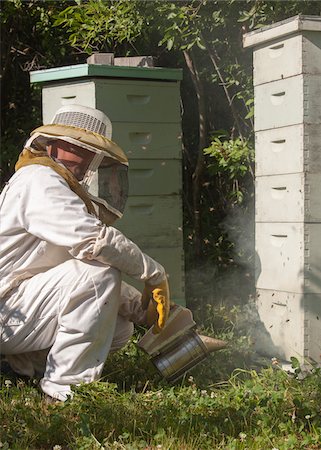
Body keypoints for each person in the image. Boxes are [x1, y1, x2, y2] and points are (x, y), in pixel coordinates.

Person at [0, 105, 170, 401]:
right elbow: (95, 242)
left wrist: (137, 308)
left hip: (18, 306)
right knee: (100, 273)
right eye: (78, 147)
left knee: (117, 327)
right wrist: (154, 273)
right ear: (54, 144)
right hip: (7, 309)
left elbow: (73, 263)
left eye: (90, 151)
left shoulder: (58, 186)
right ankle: (62, 393)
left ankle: (21, 366)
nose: (86, 158)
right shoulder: (39, 181)